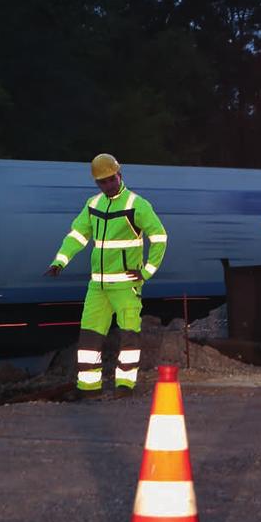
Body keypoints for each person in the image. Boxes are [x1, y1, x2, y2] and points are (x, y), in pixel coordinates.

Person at [45, 154, 167, 398]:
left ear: (119, 175)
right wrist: (60, 261)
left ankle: (125, 386)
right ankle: (88, 388)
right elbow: (77, 236)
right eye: (103, 182)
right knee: (89, 336)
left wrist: (145, 273)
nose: (108, 185)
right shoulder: (93, 205)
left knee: (129, 336)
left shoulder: (137, 204)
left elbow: (160, 238)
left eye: (111, 179)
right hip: (97, 286)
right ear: (97, 183)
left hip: (126, 285)